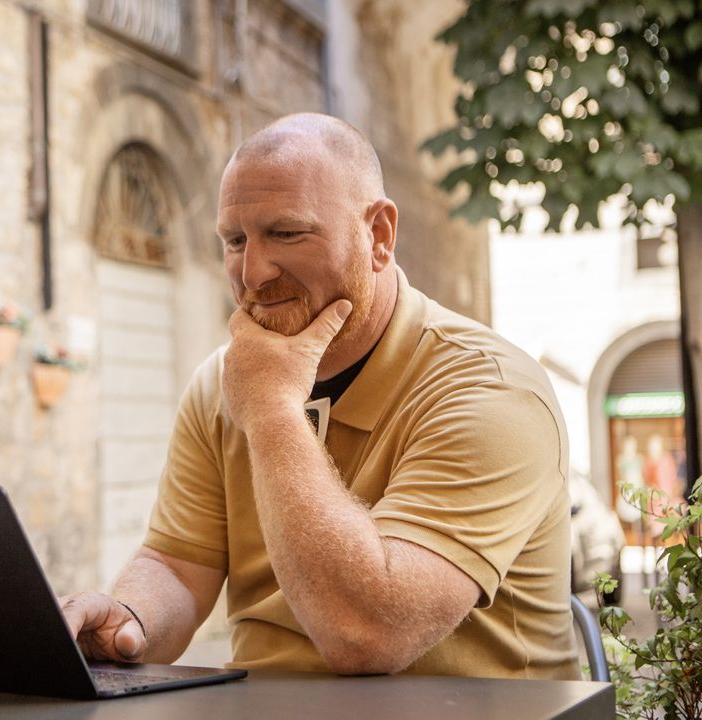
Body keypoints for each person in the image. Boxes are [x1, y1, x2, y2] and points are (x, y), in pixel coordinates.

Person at [60, 113, 578, 679]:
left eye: (286, 233)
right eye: (235, 241)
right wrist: (129, 619)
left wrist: (273, 413)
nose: (252, 273)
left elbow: (369, 634)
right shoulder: (223, 384)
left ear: (378, 236)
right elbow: (179, 564)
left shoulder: (491, 391)